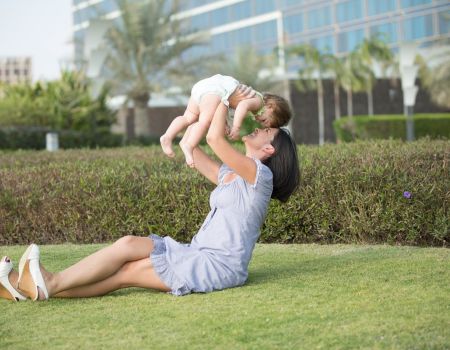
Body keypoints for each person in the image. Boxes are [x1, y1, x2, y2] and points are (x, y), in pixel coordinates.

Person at [0, 87, 300, 301]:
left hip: (218, 266)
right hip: (195, 251)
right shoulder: (231, 175)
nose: (260, 127)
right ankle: (28, 286)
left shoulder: (261, 176)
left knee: (128, 273)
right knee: (128, 245)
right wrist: (209, 106)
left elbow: (214, 138)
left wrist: (225, 91)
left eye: (267, 131)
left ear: (269, 149)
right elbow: (194, 145)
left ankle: (45, 285)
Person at [160, 74, 291, 167]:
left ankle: (167, 136)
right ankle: (189, 145)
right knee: (205, 121)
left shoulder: (255, 102)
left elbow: (228, 105)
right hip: (216, 90)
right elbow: (241, 106)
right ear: (271, 107)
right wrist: (236, 127)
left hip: (205, 87)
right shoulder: (258, 102)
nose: (259, 122)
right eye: (265, 121)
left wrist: (226, 123)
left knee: (188, 117)